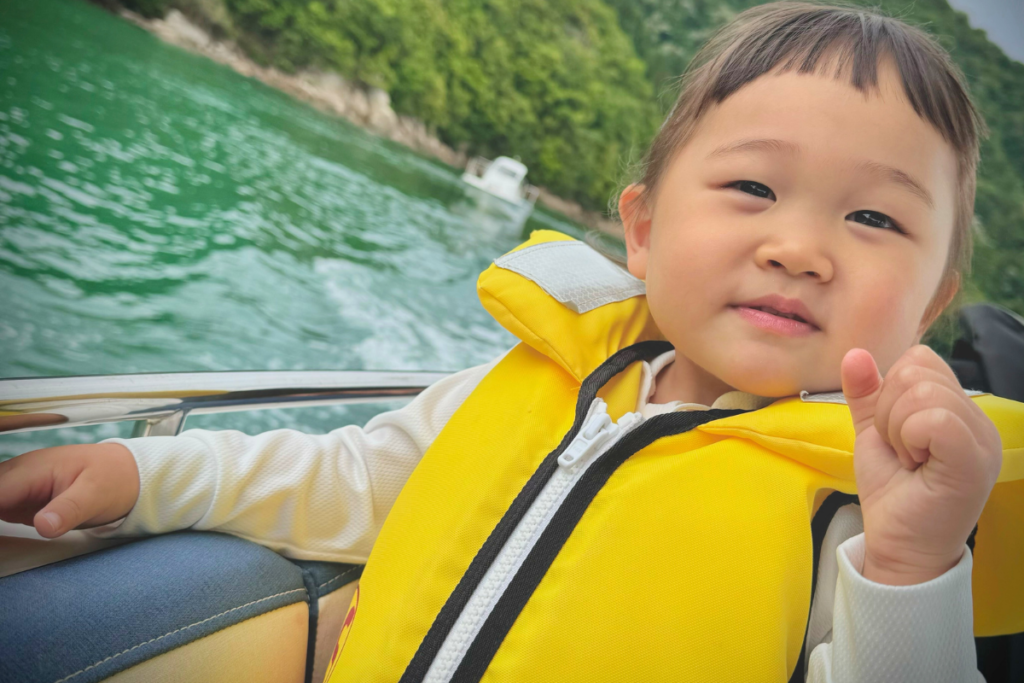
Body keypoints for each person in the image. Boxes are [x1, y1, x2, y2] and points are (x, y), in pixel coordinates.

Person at [1, 3, 1022, 681]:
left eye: (874, 218)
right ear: (642, 229)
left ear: (929, 304)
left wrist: (911, 564)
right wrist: (143, 473)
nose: (798, 249)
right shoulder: (536, 380)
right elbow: (347, 479)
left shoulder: (867, 512)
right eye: (752, 186)